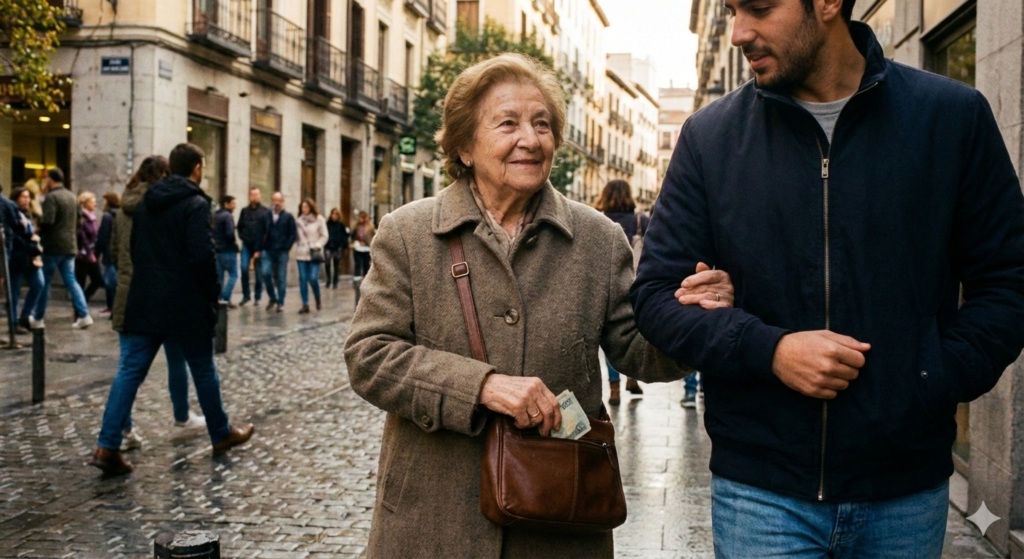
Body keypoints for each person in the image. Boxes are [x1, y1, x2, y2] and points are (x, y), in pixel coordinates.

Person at [630, 0, 1024, 556]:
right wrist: (770, 350)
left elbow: (1008, 279)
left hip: (906, 492)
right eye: (733, 10)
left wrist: (931, 378)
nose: (739, 32)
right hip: (760, 492)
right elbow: (655, 296)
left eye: (759, 8)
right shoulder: (709, 136)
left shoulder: (952, 117)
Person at [343, 53, 736, 558]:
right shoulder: (408, 233)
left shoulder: (597, 239)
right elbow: (370, 356)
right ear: (464, 145)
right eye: (508, 123)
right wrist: (483, 387)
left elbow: (639, 350)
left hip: (559, 523)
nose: (530, 138)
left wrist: (694, 318)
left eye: (542, 124)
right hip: (432, 524)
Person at [89, 144, 253, 475]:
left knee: (129, 370)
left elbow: (134, 249)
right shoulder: (195, 203)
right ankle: (220, 433)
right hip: (185, 303)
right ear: (196, 168)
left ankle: (107, 445)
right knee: (203, 369)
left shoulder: (147, 202)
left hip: (146, 299)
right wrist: (212, 294)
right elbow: (202, 255)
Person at [110, 156, 206, 453]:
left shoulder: (122, 208)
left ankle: (124, 429)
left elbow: (114, 252)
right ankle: (180, 416)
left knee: (128, 366)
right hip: (159, 294)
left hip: (127, 292)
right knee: (174, 358)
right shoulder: (158, 207)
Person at [594, 179, 650, 404]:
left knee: (609, 338)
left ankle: (614, 389)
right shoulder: (640, 221)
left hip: (604, 286)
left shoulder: (597, 220)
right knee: (632, 334)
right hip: (636, 285)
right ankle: (632, 378)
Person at [33, 168, 92, 329]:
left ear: (50, 180)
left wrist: (38, 223)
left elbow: (48, 221)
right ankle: (84, 315)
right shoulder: (72, 196)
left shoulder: (51, 197)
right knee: (71, 280)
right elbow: (79, 222)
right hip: (70, 245)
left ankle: (38, 317)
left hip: (52, 246)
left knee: (45, 281)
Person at [8, 186, 44, 334]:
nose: (27, 200)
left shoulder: (28, 214)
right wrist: (29, 244)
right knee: (14, 291)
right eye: (23, 197)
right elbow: (13, 235)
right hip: (17, 256)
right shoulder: (12, 213)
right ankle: (13, 322)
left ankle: (25, 315)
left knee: (39, 283)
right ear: (16, 198)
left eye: (28, 197)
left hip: (30, 256)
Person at [256, 191, 295, 312]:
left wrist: (286, 247)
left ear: (283, 202)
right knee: (265, 273)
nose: (276, 203)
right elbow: (260, 232)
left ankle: (280, 302)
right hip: (268, 249)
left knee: (281, 277)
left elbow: (292, 234)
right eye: (274, 200)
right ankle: (273, 297)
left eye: (279, 200)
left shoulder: (288, 217)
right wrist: (258, 249)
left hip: (282, 251)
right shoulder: (266, 215)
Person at [294, 198, 328, 314]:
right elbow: (296, 237)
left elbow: (325, 236)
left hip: (314, 253)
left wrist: (317, 245)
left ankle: (317, 297)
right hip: (301, 253)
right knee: (303, 279)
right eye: (302, 207)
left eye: (306, 207)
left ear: (311, 207)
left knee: (313, 278)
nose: (304, 209)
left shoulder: (319, 219)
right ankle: (305, 304)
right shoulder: (298, 221)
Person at [236, 188, 268, 306]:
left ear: (260, 196)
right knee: (244, 269)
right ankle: (246, 295)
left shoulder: (265, 211)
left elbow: (267, 230)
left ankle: (257, 297)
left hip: (259, 246)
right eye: (252, 194)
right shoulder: (244, 211)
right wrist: (243, 237)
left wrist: (262, 245)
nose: (255, 197)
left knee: (259, 273)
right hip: (247, 245)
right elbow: (239, 227)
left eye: (257, 194)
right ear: (249, 196)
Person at [95, 191, 120, 316]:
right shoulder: (120, 214)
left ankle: (112, 308)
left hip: (108, 253)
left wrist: (96, 253)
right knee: (115, 281)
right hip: (118, 252)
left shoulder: (107, 216)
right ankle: (113, 308)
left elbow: (102, 237)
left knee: (110, 283)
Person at [214, 195, 239, 307]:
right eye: (232, 203)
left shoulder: (215, 215)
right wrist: (234, 244)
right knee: (234, 275)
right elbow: (230, 234)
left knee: (220, 278)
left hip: (217, 251)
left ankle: (219, 299)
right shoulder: (228, 216)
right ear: (226, 204)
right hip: (227, 250)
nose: (234, 206)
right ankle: (224, 297)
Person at [324, 208, 349, 289]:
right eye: (333, 214)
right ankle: (328, 280)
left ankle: (335, 281)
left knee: (336, 264)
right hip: (328, 246)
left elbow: (344, 236)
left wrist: (343, 246)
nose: (334, 216)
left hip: (337, 247)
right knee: (327, 264)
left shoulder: (341, 225)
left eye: (336, 214)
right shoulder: (327, 224)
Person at [350, 211, 374, 280]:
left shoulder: (370, 227)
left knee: (366, 265)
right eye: (360, 217)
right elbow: (353, 236)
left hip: (367, 248)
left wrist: (367, 242)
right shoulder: (356, 226)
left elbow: (372, 237)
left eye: (363, 217)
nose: (361, 219)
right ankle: (357, 280)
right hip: (358, 248)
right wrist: (355, 242)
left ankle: (366, 280)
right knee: (358, 265)